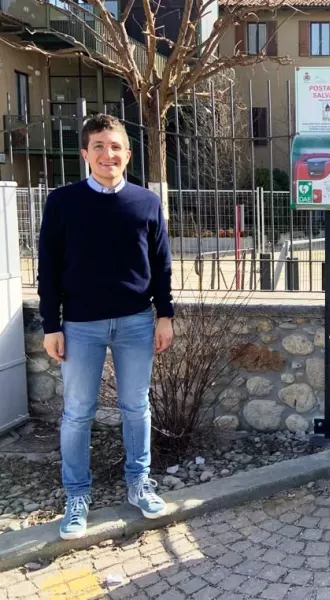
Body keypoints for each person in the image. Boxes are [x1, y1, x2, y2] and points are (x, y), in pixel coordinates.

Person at [37, 114, 175, 540]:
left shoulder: (146, 202)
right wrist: (50, 324)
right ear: (85, 154)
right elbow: (49, 268)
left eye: (115, 146)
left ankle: (139, 484)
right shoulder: (63, 202)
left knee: (137, 407)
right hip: (80, 325)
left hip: (136, 321)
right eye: (98, 146)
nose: (107, 154)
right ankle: (76, 496)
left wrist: (165, 314)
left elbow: (161, 263)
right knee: (78, 414)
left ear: (127, 154)